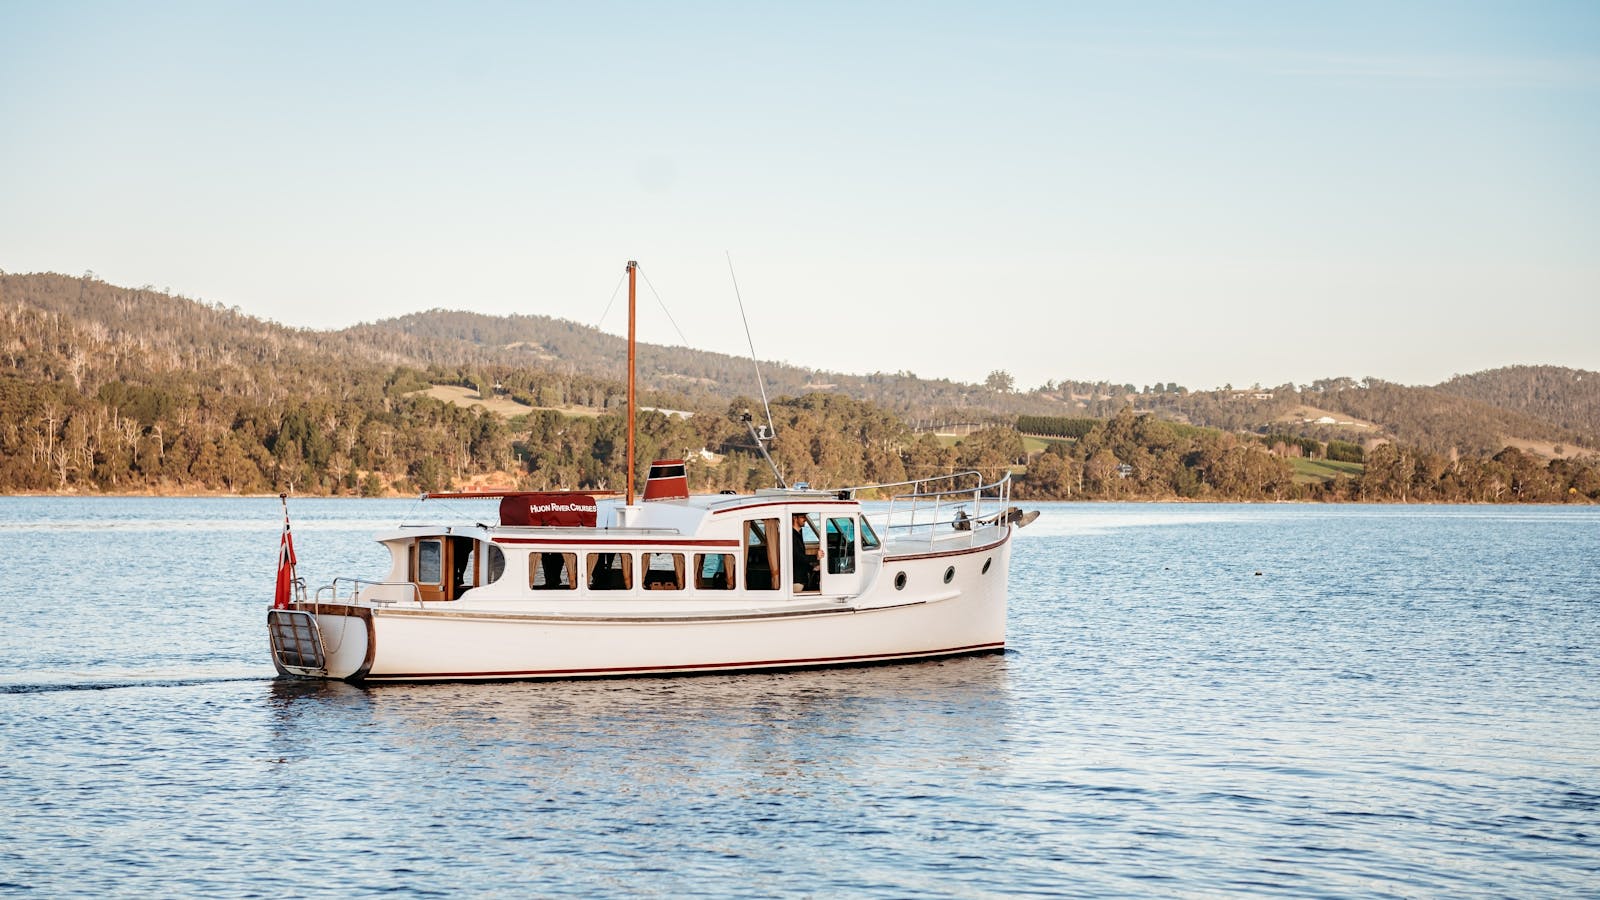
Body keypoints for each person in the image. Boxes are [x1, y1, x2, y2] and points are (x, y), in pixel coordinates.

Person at [792, 513, 817, 592]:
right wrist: (816, 557)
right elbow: (797, 557)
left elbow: (801, 556)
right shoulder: (792, 536)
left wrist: (812, 568)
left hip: (801, 577)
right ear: (795, 518)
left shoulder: (798, 534)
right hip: (797, 579)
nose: (805, 519)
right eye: (802, 517)